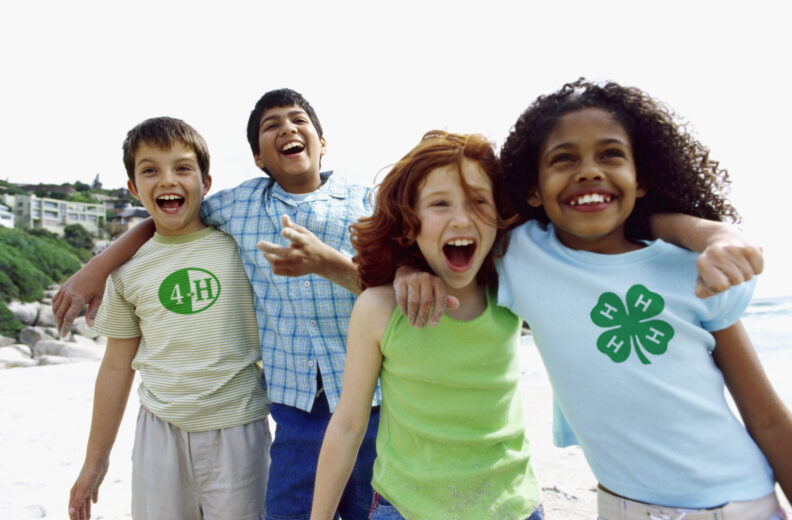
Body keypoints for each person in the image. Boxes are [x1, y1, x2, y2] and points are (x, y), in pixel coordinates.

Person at [56, 89, 380, 520]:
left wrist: (333, 265)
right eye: (271, 126)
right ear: (257, 158)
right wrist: (97, 268)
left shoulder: (357, 207)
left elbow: (395, 285)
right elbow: (168, 223)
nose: (286, 128)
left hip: (315, 412)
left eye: (298, 120)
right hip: (228, 420)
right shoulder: (223, 219)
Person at [492, 79, 791, 518]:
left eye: (610, 154)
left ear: (642, 178)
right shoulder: (520, 256)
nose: (589, 171)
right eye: (563, 159)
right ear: (532, 188)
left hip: (744, 504)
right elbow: (440, 243)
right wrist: (405, 272)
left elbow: (765, 416)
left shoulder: (693, 268)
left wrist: (711, 234)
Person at [311, 130, 543, 520]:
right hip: (405, 509)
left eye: (479, 202)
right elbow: (349, 425)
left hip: (513, 508)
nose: (462, 218)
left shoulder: (512, 287)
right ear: (409, 222)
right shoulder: (379, 308)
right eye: (440, 203)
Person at [67, 117, 270, 520]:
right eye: (150, 170)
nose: (167, 180)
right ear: (133, 188)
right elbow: (115, 366)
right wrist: (95, 461)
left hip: (239, 426)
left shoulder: (241, 247)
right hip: (158, 430)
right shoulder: (128, 271)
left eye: (182, 168)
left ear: (205, 181)